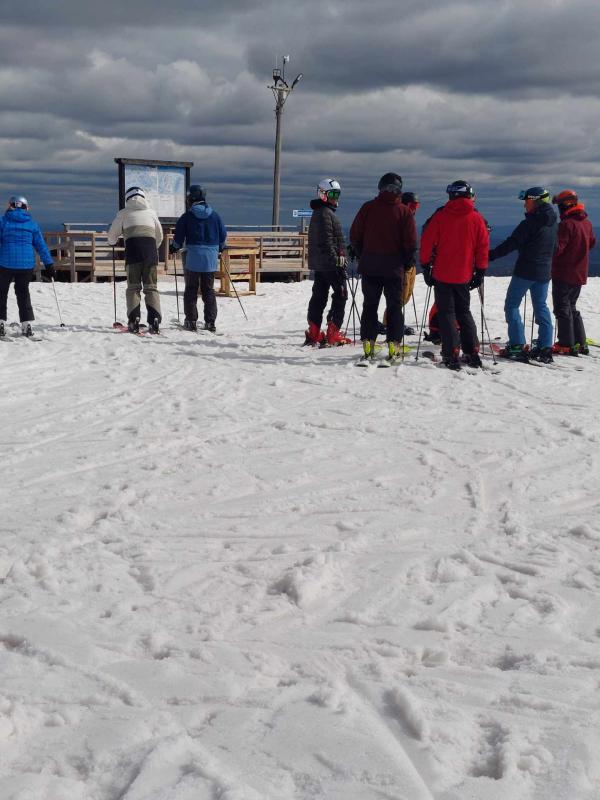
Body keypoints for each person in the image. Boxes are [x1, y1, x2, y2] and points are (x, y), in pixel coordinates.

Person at [419, 180, 489, 370]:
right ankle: (472, 350)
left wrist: (426, 266)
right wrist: (480, 271)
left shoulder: (441, 216)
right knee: (463, 312)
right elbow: (483, 246)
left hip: (442, 273)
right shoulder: (476, 218)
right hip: (464, 274)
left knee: (446, 314)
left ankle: (451, 353)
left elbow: (427, 242)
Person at [349, 173, 417, 361]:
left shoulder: (368, 208)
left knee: (370, 306)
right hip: (394, 268)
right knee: (394, 307)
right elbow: (410, 243)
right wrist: (407, 262)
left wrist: (364, 254)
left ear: (380, 187)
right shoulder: (404, 212)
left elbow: (355, 236)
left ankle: (369, 346)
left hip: (370, 266)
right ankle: (394, 347)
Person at [489, 187, 557, 363]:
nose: (525, 205)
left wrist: (489, 256)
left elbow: (512, 243)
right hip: (544, 272)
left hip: (526, 271)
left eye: (526, 201)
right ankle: (545, 346)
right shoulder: (554, 223)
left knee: (512, 305)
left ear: (535, 201)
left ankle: (517, 344)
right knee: (541, 306)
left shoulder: (530, 223)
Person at [170, 184, 227, 332]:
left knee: (191, 289)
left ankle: (191, 320)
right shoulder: (215, 215)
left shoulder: (187, 216)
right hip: (210, 260)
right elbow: (222, 236)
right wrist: (220, 247)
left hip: (193, 258)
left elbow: (178, 237)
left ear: (191, 199)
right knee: (208, 290)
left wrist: (174, 247)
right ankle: (210, 322)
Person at [108, 186, 163, 333]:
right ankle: (155, 319)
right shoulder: (151, 213)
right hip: (150, 254)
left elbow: (111, 238)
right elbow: (160, 236)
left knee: (133, 288)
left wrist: (114, 241)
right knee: (151, 287)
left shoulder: (123, 214)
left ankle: (134, 320)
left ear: (127, 198)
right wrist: (153, 247)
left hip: (133, 254)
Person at [0, 195, 54, 337]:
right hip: (26, 265)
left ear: (10, 206)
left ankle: (0, 323)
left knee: (1, 293)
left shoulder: (2, 221)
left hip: (5, 263)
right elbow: (41, 246)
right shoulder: (32, 224)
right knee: (23, 293)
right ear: (27, 208)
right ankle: (26, 325)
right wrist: (49, 263)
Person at [304, 178, 350, 346]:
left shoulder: (322, 212)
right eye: (331, 194)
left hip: (322, 264)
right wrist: (336, 259)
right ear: (322, 194)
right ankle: (333, 332)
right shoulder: (325, 213)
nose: (335, 198)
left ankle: (314, 332)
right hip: (330, 264)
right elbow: (326, 240)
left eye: (337, 194)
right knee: (341, 294)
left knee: (319, 296)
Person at [551, 190, 596, 356]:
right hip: (579, 272)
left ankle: (566, 343)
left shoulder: (566, 224)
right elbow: (591, 243)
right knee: (572, 307)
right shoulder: (587, 223)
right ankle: (580, 342)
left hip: (563, 272)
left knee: (562, 308)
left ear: (565, 205)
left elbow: (558, 249)